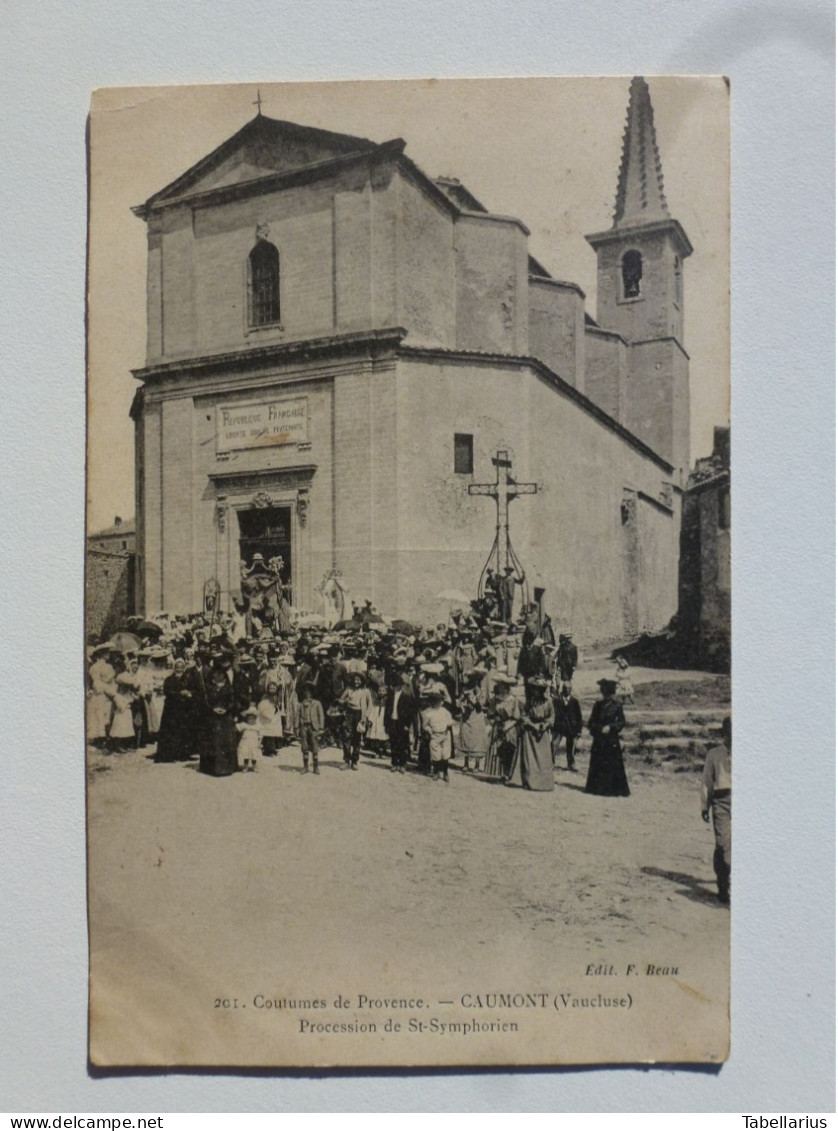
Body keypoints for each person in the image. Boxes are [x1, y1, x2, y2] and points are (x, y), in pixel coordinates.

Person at [701, 715, 732, 905]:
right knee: (722, 844)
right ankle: (723, 883)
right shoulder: (714, 754)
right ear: (724, 734)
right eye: (729, 734)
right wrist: (705, 805)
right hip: (721, 801)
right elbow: (707, 781)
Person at [584, 678, 630, 796]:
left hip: (611, 740)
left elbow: (621, 722)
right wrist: (598, 729)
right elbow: (591, 723)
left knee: (612, 763)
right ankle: (597, 788)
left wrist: (611, 727)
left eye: (607, 693)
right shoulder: (597, 705)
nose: (606, 695)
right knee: (598, 763)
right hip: (599, 739)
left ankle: (613, 789)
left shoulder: (617, 706)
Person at [511, 677, 554, 791]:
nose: (536, 691)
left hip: (542, 732)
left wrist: (545, 725)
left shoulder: (548, 702)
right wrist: (532, 725)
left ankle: (544, 783)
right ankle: (530, 782)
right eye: (535, 689)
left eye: (539, 689)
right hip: (530, 733)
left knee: (543, 759)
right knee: (529, 759)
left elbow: (552, 717)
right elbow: (523, 716)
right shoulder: (530, 702)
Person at [154, 657, 194, 762]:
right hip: (171, 710)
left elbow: (193, 690)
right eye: (177, 667)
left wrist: (190, 694)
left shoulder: (187, 679)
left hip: (184, 710)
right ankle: (169, 755)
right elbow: (167, 692)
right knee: (171, 732)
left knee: (183, 731)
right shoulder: (169, 679)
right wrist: (180, 693)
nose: (179, 669)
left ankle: (183, 754)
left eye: (181, 667)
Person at [485, 673, 520, 780]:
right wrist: (493, 722)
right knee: (497, 750)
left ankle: (509, 773)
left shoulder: (513, 700)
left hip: (510, 728)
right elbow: (490, 714)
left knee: (509, 749)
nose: (500, 688)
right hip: (498, 726)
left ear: (506, 688)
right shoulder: (495, 700)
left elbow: (516, 717)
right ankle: (499, 773)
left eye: (502, 686)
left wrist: (508, 726)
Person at [338, 671, 372, 770]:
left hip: (360, 714)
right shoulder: (349, 689)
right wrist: (345, 701)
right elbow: (340, 701)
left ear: (362, 681)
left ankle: (354, 760)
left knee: (357, 738)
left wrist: (365, 716)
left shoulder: (366, 691)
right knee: (346, 736)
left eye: (358, 680)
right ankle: (346, 760)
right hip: (349, 713)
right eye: (355, 680)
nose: (356, 682)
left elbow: (370, 705)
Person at [384, 671, 416, 773]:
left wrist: (408, 725)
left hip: (402, 723)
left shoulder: (406, 697)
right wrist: (386, 723)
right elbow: (387, 710)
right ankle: (394, 763)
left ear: (401, 685)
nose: (395, 687)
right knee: (394, 743)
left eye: (397, 685)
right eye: (394, 685)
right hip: (393, 721)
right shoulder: (390, 697)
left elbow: (410, 713)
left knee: (402, 744)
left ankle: (402, 764)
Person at [422, 687, 455, 782]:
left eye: (439, 701)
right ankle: (436, 772)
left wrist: (449, 723)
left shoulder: (445, 712)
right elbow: (425, 725)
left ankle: (445, 772)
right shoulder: (429, 713)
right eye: (435, 702)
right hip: (435, 735)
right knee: (435, 755)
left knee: (445, 754)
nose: (437, 704)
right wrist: (430, 731)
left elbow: (449, 721)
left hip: (445, 735)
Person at [552, 682, 583, 771]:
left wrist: (579, 730)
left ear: (571, 689)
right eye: (565, 688)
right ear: (562, 688)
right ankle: (551, 762)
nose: (567, 690)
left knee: (571, 746)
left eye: (569, 688)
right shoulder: (557, 700)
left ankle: (571, 763)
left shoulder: (574, 701)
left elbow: (579, 717)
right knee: (554, 744)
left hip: (571, 728)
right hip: (559, 727)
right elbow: (554, 714)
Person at [297, 684, 325, 774]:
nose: (307, 694)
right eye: (306, 692)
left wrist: (321, 727)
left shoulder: (317, 703)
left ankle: (316, 766)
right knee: (304, 746)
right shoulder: (301, 704)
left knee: (314, 746)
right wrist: (296, 727)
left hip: (314, 727)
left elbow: (321, 715)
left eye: (309, 691)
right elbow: (297, 716)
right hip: (304, 727)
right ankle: (305, 766)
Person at [236, 705, 263, 772]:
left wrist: (259, 743)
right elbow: (237, 728)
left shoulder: (257, 726)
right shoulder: (244, 725)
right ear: (246, 719)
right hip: (245, 743)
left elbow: (260, 735)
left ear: (255, 719)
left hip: (254, 743)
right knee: (246, 755)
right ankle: (245, 766)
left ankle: (254, 766)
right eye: (249, 719)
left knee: (254, 756)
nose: (251, 720)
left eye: (252, 719)